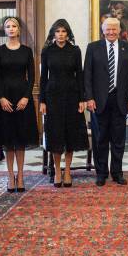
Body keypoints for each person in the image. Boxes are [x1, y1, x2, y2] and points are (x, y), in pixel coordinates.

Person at [85, 18, 128, 186]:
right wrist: (89, 98)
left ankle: (117, 173)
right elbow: (87, 75)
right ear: (103, 30)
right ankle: (101, 173)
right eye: (108, 29)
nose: (111, 32)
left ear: (119, 30)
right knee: (100, 139)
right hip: (98, 101)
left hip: (120, 100)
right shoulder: (93, 48)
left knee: (118, 139)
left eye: (114, 29)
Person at [39, 19, 88, 187]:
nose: (60, 34)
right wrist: (42, 101)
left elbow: (80, 76)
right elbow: (43, 77)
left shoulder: (75, 51)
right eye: (58, 31)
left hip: (72, 96)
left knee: (70, 134)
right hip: (52, 97)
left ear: (68, 34)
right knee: (55, 134)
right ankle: (57, 171)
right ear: (53, 33)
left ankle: (67, 170)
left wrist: (82, 98)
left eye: (63, 31)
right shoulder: (47, 51)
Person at [0, 17, 38, 192]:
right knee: (8, 140)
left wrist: (27, 97)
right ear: (4, 30)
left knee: (20, 139)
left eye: (14, 26)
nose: (11, 29)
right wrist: (1, 97)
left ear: (19, 30)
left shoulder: (27, 51)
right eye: (8, 26)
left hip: (22, 99)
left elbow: (32, 76)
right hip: (4, 99)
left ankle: (20, 175)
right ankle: (10, 175)